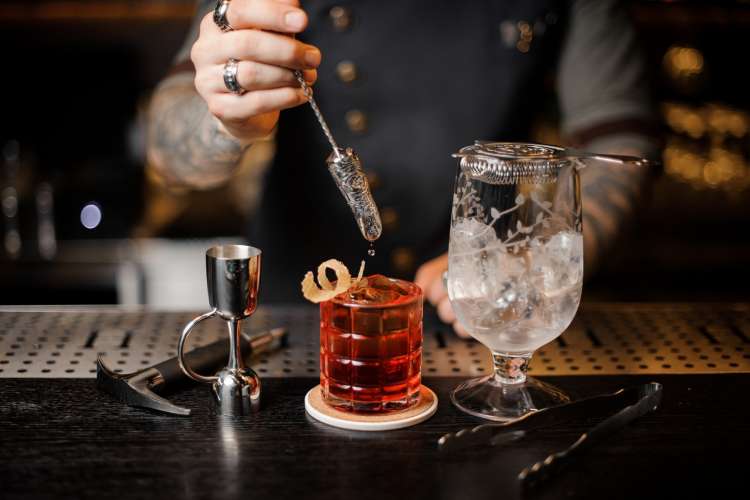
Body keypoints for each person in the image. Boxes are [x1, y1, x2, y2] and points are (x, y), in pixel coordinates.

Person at [147, 0, 657, 336]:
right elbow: (166, 151)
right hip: (293, 325)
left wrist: (540, 256)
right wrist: (226, 121)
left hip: (479, 319)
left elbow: (621, 142)